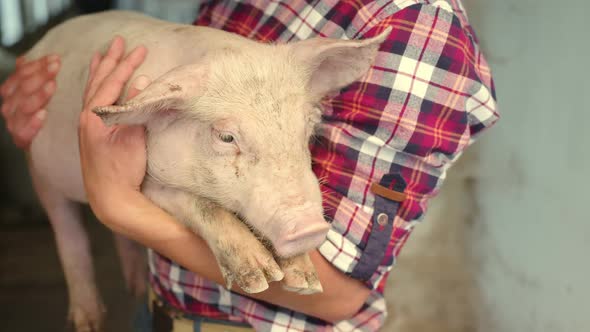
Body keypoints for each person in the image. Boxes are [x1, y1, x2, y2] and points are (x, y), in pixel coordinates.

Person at [0, 0, 498, 331]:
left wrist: (121, 208)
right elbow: (171, 150)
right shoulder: (242, 3)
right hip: (160, 308)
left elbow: (337, 295)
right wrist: (39, 102)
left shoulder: (416, 28)